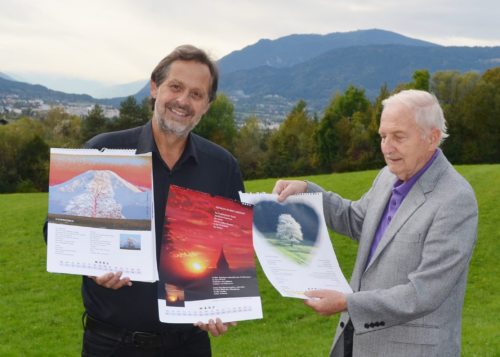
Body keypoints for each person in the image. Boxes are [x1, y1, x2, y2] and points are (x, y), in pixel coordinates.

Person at [47, 45, 243, 356]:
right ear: (154, 88)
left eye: (196, 94)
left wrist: (223, 306)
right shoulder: (104, 151)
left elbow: (232, 253)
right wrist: (91, 266)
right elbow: (57, 230)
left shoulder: (223, 166)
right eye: (175, 87)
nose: (183, 101)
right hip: (111, 345)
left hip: (188, 346)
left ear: (206, 105)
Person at [273, 89, 478, 356]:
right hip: (355, 344)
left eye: (398, 137)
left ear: (432, 138)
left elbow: (423, 292)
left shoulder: (455, 200)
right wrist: (308, 192)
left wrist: (348, 302)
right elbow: (358, 220)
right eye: (383, 136)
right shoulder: (387, 176)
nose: (387, 147)